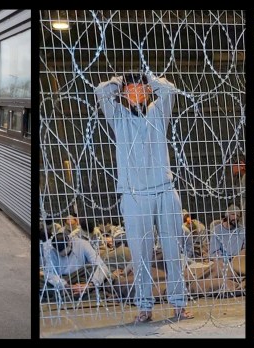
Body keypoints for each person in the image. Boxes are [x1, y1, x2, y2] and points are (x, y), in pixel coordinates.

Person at [95, 71, 194, 322]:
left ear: (148, 91)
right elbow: (101, 92)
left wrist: (150, 80)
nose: (136, 91)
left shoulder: (158, 114)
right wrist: (119, 83)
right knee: (141, 254)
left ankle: (179, 304)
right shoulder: (118, 117)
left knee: (174, 250)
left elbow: (169, 90)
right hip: (134, 194)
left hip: (163, 189)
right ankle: (144, 307)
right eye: (131, 88)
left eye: (140, 87)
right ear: (124, 94)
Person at [41, 232, 111, 301]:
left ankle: (72, 294)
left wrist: (89, 285)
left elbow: (102, 266)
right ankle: (76, 294)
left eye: (64, 249)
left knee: (93, 268)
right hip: (62, 280)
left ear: (69, 242)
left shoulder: (83, 244)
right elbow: (49, 273)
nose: (63, 253)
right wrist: (67, 286)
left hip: (81, 278)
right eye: (60, 251)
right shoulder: (50, 249)